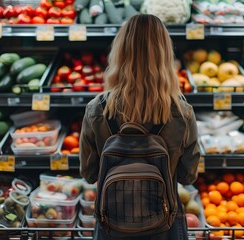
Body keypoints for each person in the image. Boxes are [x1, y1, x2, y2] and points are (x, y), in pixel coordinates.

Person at [79, 14, 200, 240]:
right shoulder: (182, 113)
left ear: (120, 52)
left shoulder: (97, 109)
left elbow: (89, 173)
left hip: (112, 226)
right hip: (164, 226)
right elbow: (188, 176)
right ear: (164, 55)